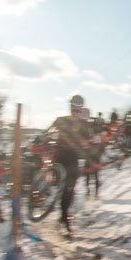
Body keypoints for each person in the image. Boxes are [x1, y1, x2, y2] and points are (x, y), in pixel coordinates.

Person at [44, 94, 92, 235]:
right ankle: (45, 190)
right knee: (52, 175)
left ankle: (64, 218)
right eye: (73, 108)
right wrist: (42, 137)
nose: (75, 112)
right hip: (59, 154)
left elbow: (89, 140)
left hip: (73, 158)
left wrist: (86, 143)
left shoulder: (84, 125)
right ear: (70, 107)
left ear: (81, 110)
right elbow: (48, 131)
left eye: (78, 109)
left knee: (69, 188)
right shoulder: (61, 120)